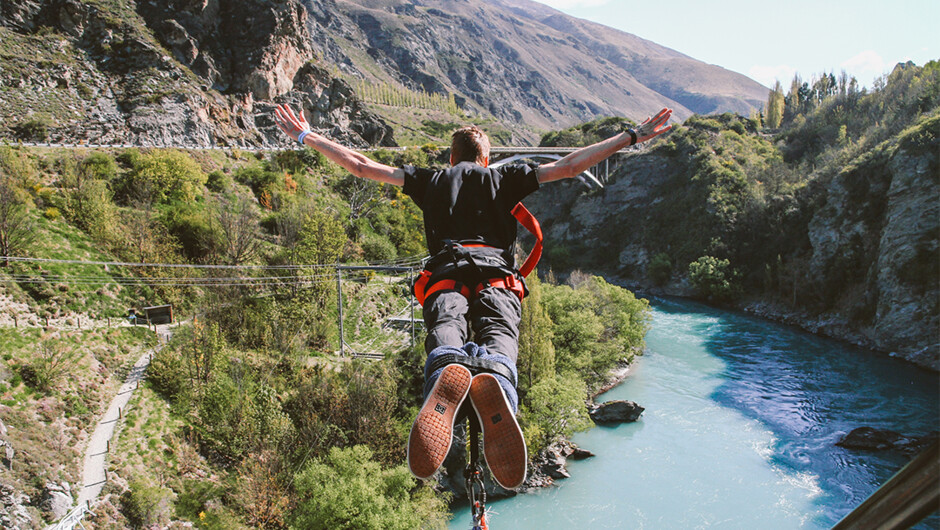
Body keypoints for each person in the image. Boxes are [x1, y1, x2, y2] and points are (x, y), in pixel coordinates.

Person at [274, 104, 672, 489]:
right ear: (486, 157)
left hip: (447, 273)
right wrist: (631, 135)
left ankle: (445, 372)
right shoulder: (505, 177)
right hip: (497, 276)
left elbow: (359, 165)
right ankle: (497, 376)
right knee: (499, 331)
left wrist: (307, 135)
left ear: (452, 157)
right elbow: (570, 166)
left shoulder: (430, 179)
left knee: (447, 325)